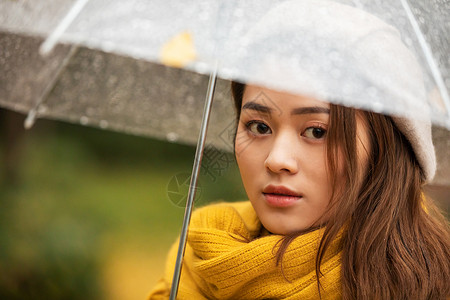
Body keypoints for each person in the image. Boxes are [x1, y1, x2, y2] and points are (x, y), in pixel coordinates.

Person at [149, 1, 450, 299]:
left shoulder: (432, 285)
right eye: (259, 127)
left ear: (384, 150)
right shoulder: (197, 256)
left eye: (317, 131)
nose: (277, 160)